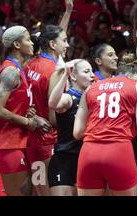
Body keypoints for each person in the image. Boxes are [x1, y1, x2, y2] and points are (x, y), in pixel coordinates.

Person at [73, 54, 137, 196]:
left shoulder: (91, 89)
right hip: (119, 151)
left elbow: (78, 132)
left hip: (89, 152)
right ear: (135, 76)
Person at [24, 0, 74, 196]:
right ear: (53, 44)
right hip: (49, 141)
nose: (67, 44)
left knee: (39, 190)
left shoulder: (30, 64)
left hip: (30, 139)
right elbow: (55, 117)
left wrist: (68, 10)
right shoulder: (54, 70)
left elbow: (56, 37)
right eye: (64, 41)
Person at [0, 26, 51, 196]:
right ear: (17, 44)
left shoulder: (18, 69)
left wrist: (32, 115)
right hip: (7, 145)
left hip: (18, 143)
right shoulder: (10, 72)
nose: (32, 43)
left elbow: (13, 105)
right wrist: (27, 122)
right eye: (27, 39)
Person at [47, 59, 95, 196]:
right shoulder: (69, 98)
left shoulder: (95, 99)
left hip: (87, 160)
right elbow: (53, 104)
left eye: (92, 71)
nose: (92, 75)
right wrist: (64, 76)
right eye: (86, 71)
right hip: (64, 160)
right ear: (73, 76)